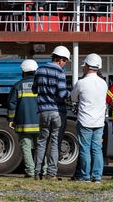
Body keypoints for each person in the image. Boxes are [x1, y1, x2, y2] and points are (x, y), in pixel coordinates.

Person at [32, 45, 70, 181]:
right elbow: (61, 93)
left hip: (43, 111)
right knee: (55, 142)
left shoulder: (39, 70)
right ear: (60, 60)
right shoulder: (60, 72)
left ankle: (37, 172)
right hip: (57, 111)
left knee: (41, 141)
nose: (64, 64)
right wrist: (70, 93)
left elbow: (34, 90)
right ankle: (51, 173)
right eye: (65, 61)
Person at [71, 53, 109, 182]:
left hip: (85, 121)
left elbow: (73, 98)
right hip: (99, 122)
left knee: (85, 149)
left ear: (87, 66)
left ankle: (85, 176)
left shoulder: (81, 83)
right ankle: (97, 176)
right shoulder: (103, 83)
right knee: (97, 149)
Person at [7, 59, 40, 178]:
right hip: (40, 124)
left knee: (26, 147)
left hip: (24, 124)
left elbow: (12, 105)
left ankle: (30, 172)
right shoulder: (41, 86)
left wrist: (11, 120)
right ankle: (43, 170)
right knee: (41, 147)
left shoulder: (18, 86)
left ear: (23, 72)